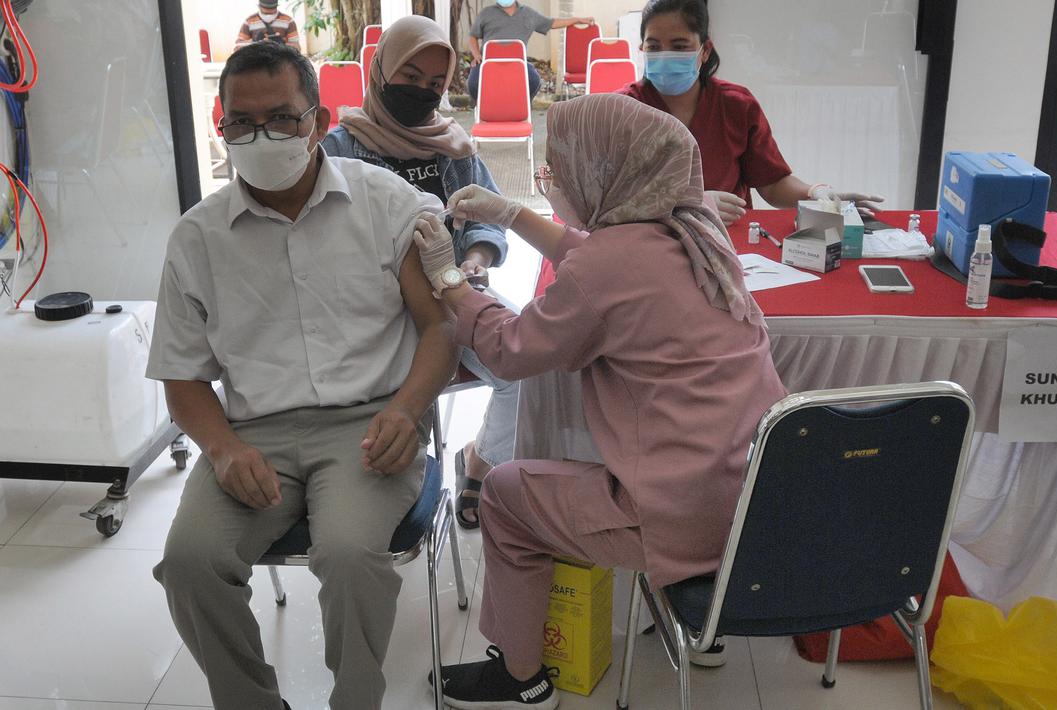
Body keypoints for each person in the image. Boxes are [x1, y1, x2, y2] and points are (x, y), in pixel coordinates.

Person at [412, 93, 787, 709]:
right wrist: (512, 215)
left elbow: (509, 349)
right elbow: (596, 254)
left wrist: (450, 281)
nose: (553, 182)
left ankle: (520, 677)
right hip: (757, 495)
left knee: (504, 493)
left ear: (605, 171)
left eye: (558, 170)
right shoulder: (696, 228)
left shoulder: (609, 265)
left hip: (684, 510)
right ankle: (704, 613)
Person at [148, 42, 457, 710]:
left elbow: (440, 328)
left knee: (349, 555)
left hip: (370, 425)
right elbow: (183, 377)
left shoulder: (385, 204)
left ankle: (355, 701)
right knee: (191, 562)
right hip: (252, 435)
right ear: (221, 125)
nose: (262, 137)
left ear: (318, 121)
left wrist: (407, 410)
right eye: (242, 121)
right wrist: (222, 450)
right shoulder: (197, 238)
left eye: (282, 119)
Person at [321, 14, 517, 530]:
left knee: (529, 366)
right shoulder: (339, 149)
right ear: (381, 71)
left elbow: (489, 216)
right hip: (373, 313)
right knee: (388, 402)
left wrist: (477, 259)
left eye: (433, 84)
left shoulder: (454, 145)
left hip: (454, 296)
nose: (421, 93)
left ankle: (479, 463)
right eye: (409, 78)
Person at [620, 0, 882, 225]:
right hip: (651, 242)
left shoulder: (735, 105)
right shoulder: (621, 110)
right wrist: (688, 203)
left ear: (705, 50)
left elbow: (772, 184)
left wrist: (816, 194)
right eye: (654, 47)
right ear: (642, 49)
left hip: (729, 240)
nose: (665, 56)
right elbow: (610, 199)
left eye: (679, 47)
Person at [467, 0, 594, 100]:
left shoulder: (528, 14)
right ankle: (484, 108)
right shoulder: (486, 13)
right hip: (488, 62)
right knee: (473, 83)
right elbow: (473, 36)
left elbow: (551, 23)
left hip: (518, 63)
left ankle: (520, 106)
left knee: (534, 80)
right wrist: (476, 55)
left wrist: (577, 20)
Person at [235, 0, 301, 52]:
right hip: (256, 60)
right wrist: (255, 42)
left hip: (280, 60)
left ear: (276, 6)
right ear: (259, 6)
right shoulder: (249, 21)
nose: (269, 12)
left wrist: (282, 44)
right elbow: (237, 47)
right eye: (266, 10)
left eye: (272, 9)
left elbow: (297, 48)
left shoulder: (288, 21)